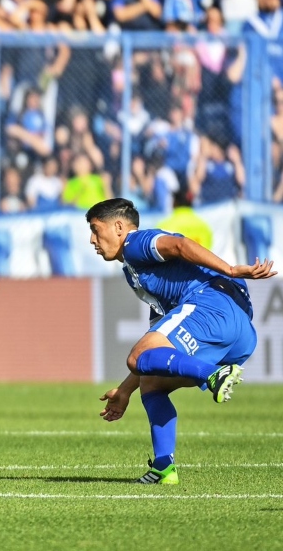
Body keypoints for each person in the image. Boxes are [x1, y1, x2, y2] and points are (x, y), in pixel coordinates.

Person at [87, 198, 276, 484]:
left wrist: (232, 269)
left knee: (136, 358)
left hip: (211, 305)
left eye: (95, 230)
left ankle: (213, 374)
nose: (92, 240)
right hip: (239, 332)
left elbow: (179, 245)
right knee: (149, 379)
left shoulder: (135, 243)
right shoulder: (141, 275)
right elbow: (154, 349)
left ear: (118, 227)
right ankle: (164, 467)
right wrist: (126, 390)